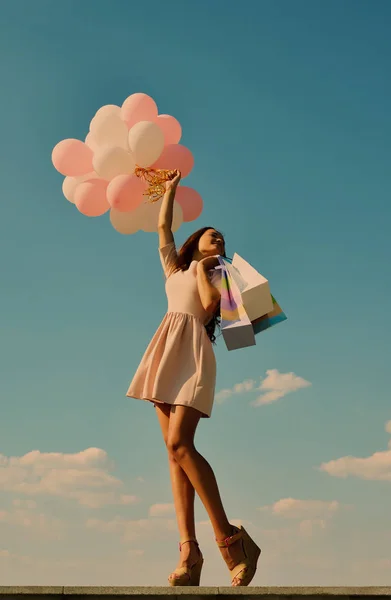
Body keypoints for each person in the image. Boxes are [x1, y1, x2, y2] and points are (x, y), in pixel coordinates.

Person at [126, 170, 261, 587]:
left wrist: (207, 270)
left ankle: (230, 539)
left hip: (193, 354)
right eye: (210, 234)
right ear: (194, 242)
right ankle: (190, 552)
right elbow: (164, 227)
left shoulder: (216, 275)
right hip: (165, 350)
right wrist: (169, 191)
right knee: (173, 453)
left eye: (222, 237)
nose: (217, 237)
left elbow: (207, 307)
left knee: (180, 444)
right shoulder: (173, 269)